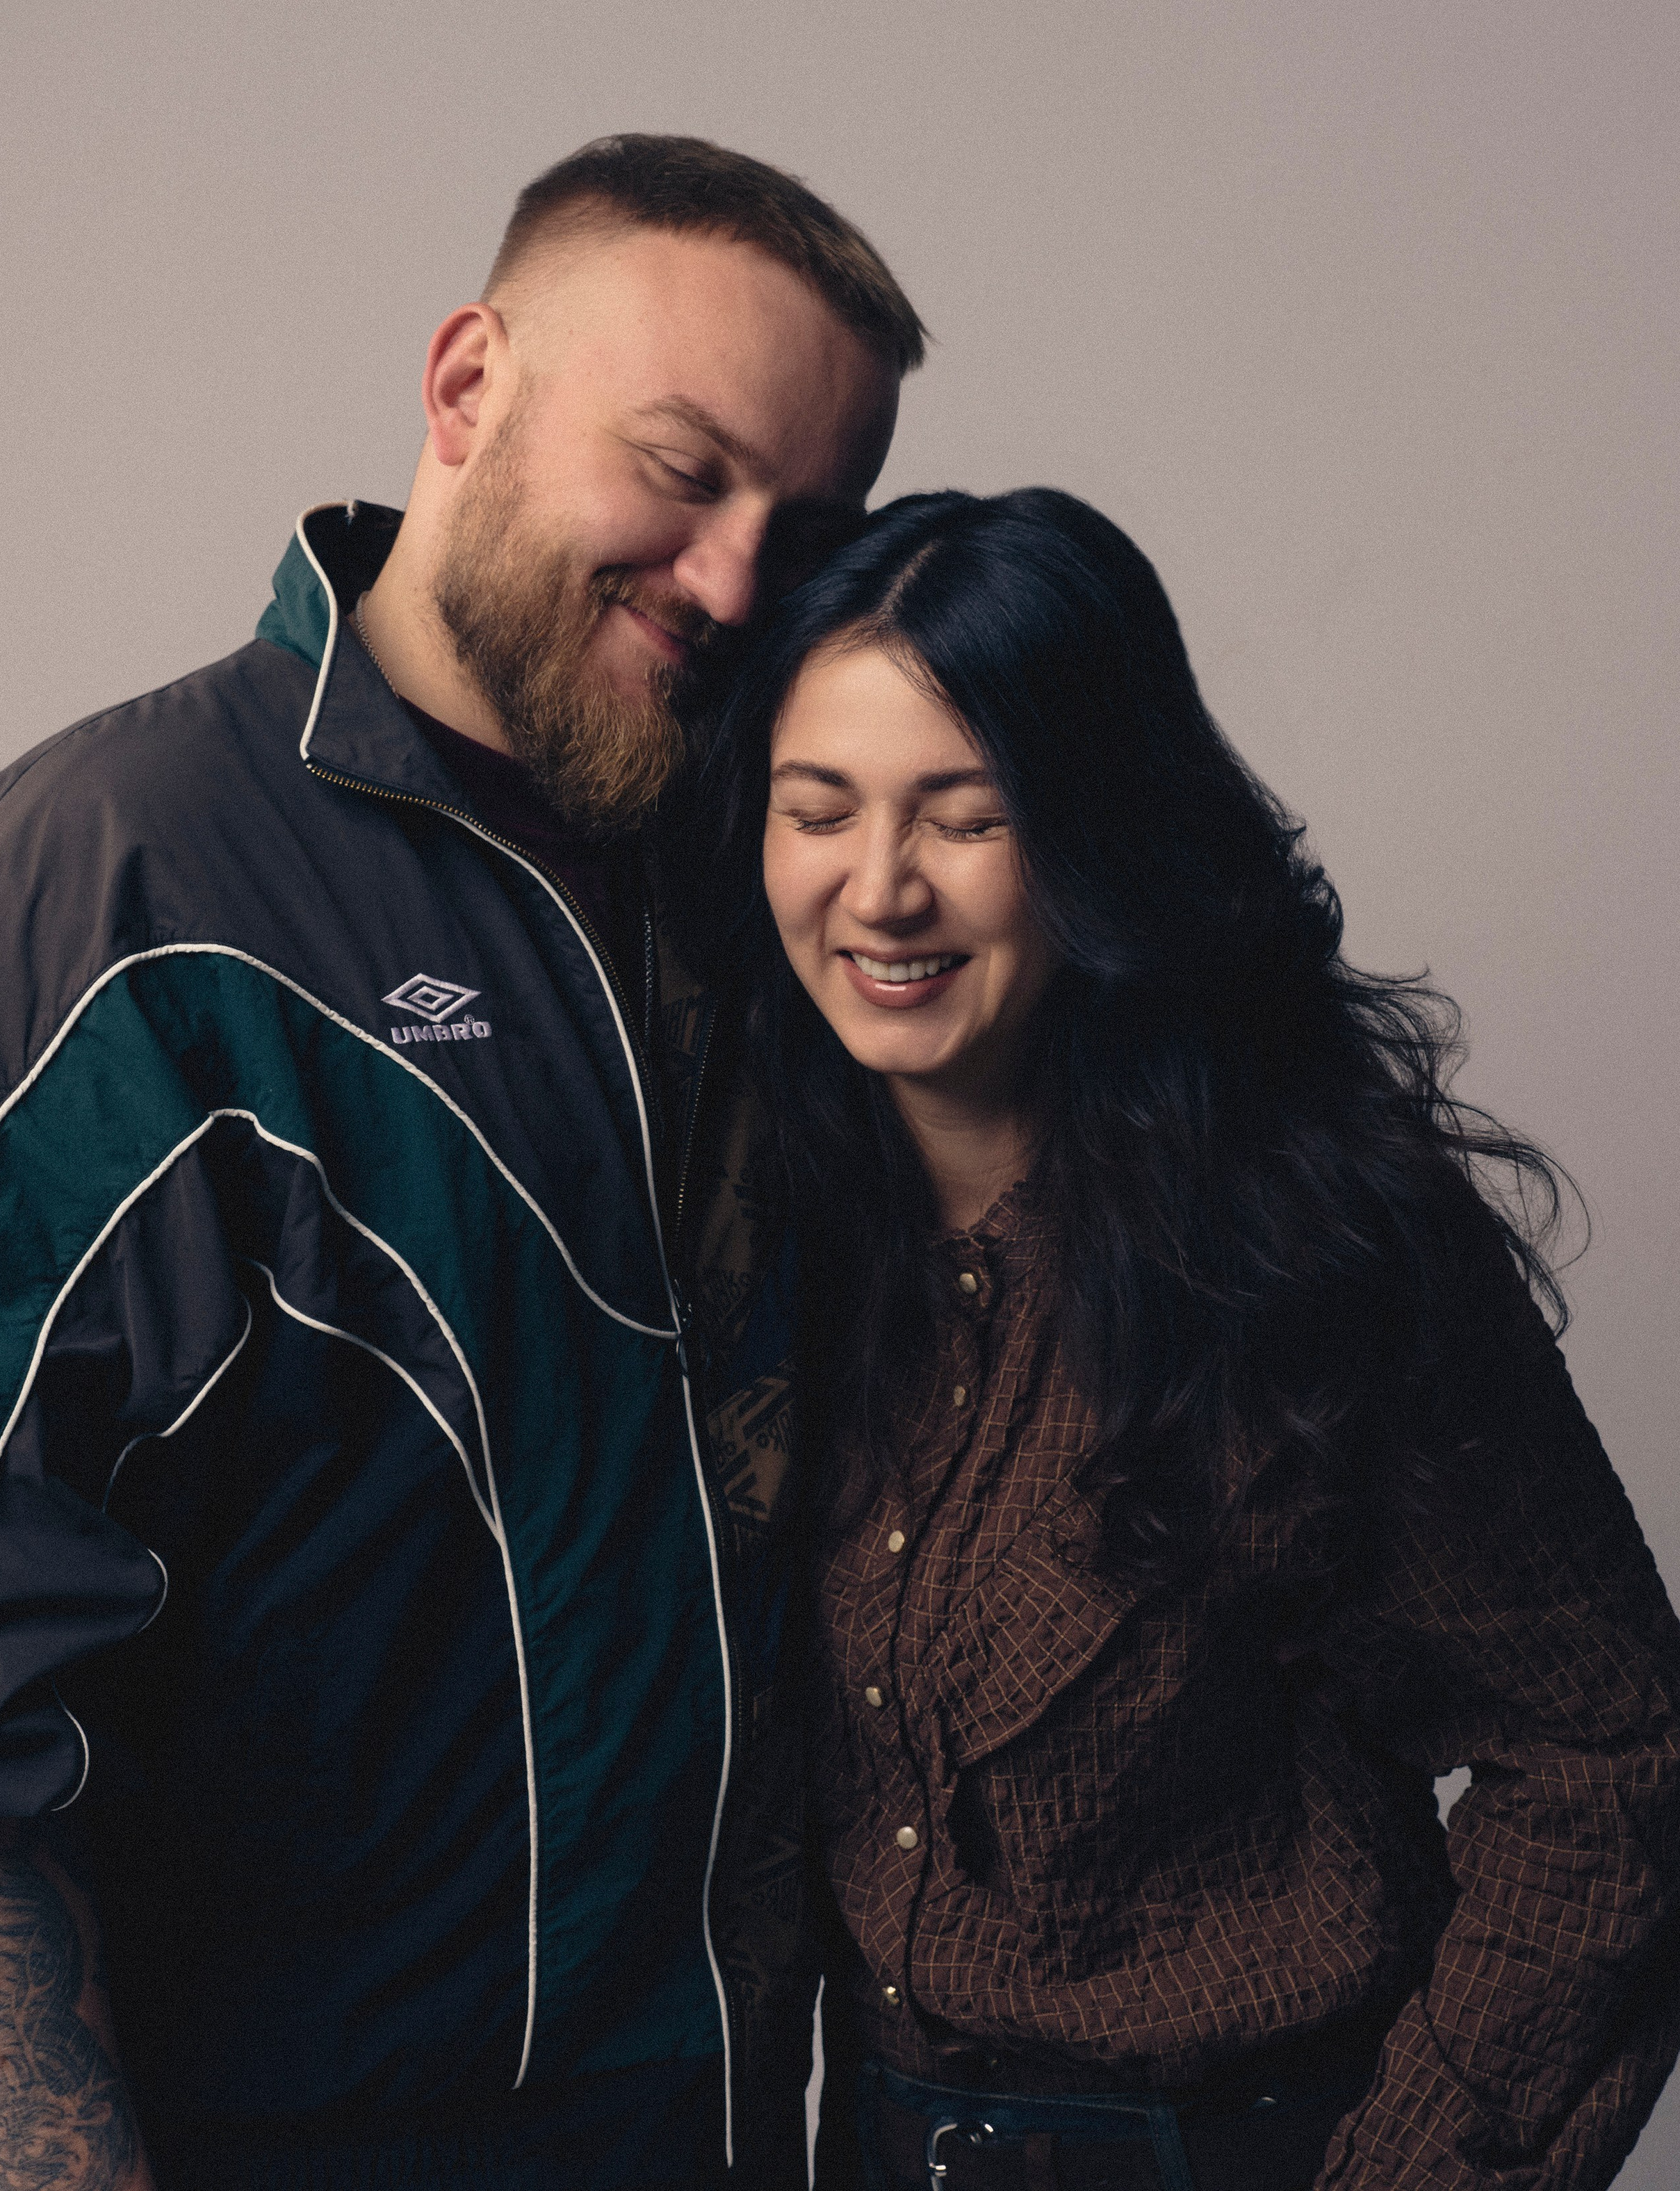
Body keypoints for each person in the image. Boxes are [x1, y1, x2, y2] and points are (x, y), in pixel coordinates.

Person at [0, 135, 922, 2191]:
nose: (732, 580)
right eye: (682, 466)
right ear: (469, 390)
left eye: (804, 530)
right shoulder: (106, 897)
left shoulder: (768, 892)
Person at [694, 487, 1680, 2190]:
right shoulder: (754, 1214)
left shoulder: (1304, 1241)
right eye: (816, 810)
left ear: (1091, 835)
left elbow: (1612, 1764)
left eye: (965, 817)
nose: (879, 890)